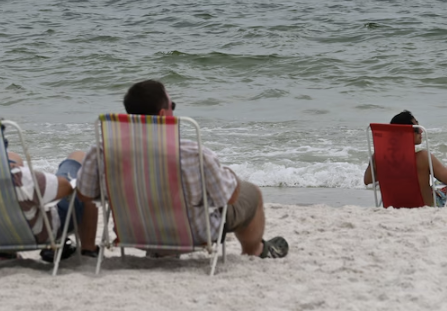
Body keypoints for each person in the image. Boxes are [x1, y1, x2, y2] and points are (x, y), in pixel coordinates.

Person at [74, 80, 288, 259]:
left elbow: (84, 194)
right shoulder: (194, 153)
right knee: (252, 194)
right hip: (194, 235)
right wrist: (230, 175)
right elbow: (229, 197)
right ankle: (255, 251)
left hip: (134, 233)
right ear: (162, 113)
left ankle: (159, 250)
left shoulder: (102, 150)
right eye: (172, 105)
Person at [0, 112, 90, 261]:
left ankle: (6, 252)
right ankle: (89, 249)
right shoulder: (17, 177)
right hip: (38, 234)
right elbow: (65, 188)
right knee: (79, 162)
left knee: (15, 161)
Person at [363, 110, 447, 207]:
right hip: (425, 208)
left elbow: (367, 180)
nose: (421, 131)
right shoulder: (423, 157)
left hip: (394, 207)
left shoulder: (379, 157)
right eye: (416, 128)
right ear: (404, 133)